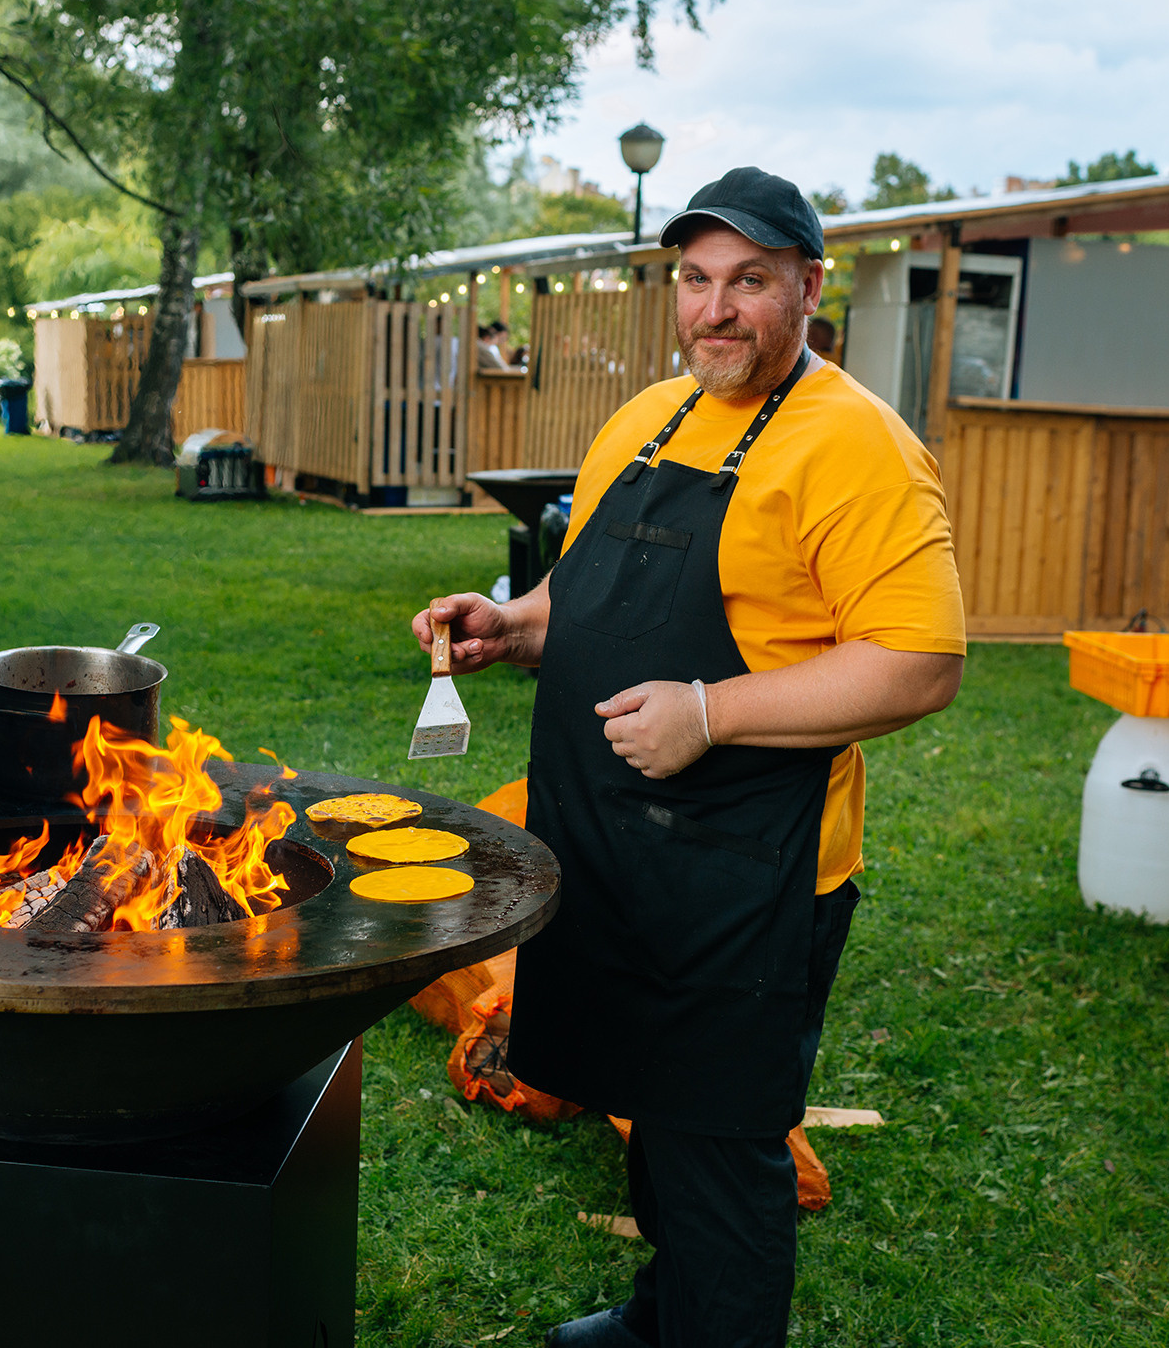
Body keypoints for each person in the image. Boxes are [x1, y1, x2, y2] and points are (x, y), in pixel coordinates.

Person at [411, 166, 965, 1348]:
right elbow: (589, 597)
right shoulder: (646, 419)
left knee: (720, 1148)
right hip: (608, 846)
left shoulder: (858, 446)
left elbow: (921, 662)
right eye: (696, 279)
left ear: (809, 287)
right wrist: (513, 626)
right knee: (649, 1108)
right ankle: (662, 1316)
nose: (715, 309)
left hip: (750, 871)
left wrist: (707, 713)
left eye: (749, 281)